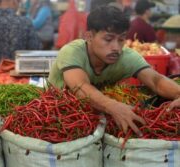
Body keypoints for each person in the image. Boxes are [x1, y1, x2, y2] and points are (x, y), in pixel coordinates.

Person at [48, 5, 180, 136]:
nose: (116, 47)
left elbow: (156, 80)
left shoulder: (126, 56)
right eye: (108, 39)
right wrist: (114, 107)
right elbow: (81, 87)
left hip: (93, 118)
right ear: (89, 36)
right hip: (56, 117)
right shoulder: (72, 52)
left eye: (121, 39)